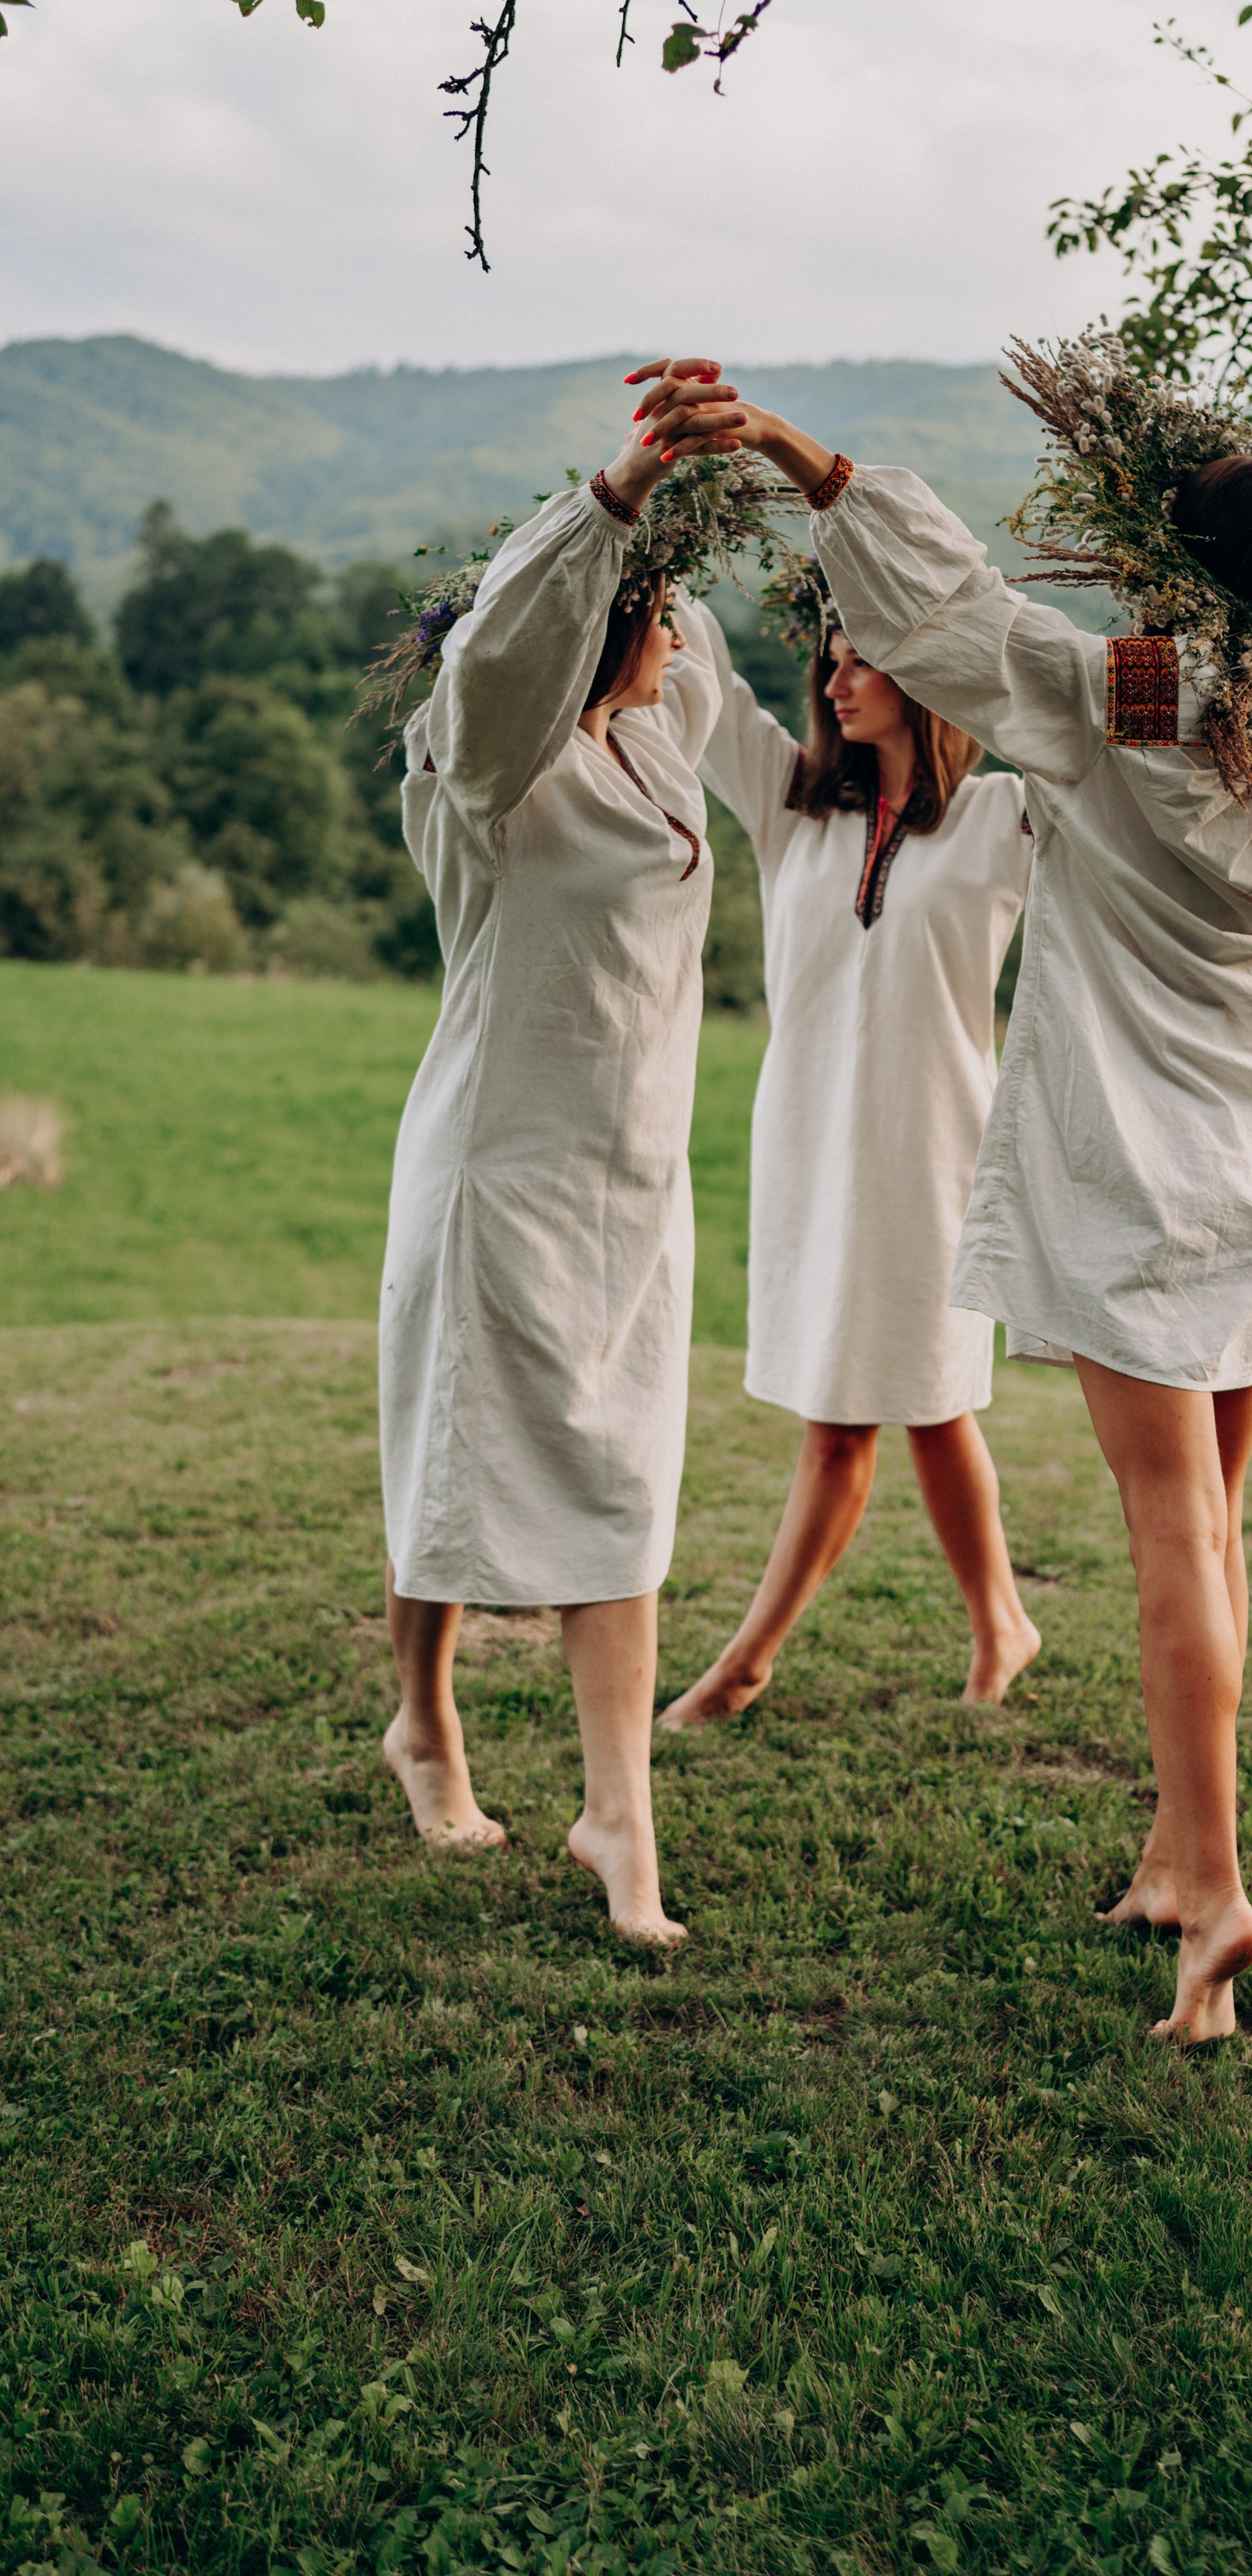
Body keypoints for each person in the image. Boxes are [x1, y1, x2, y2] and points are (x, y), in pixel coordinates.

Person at [632, 345, 1252, 2038]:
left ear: (1163, 575)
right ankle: (1166, 1843)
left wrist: (779, 442)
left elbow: (950, 611)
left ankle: (1212, 1885)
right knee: (1216, 1526)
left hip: (1138, 1178)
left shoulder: (1126, 694)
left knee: (1165, 1537)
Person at [377, 365, 753, 1946]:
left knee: (620, 1477)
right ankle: (424, 1715)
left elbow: (708, 669)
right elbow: (495, 667)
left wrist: (718, 472)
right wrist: (605, 499)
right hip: (499, 1170)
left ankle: (617, 1815)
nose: (673, 634)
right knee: (455, 1469)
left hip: (627, 1179)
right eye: (650, 614)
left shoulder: (658, 745)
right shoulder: (487, 775)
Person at [659, 565, 1039, 1730]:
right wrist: (655, 555)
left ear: (926, 674)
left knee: (861, 1414)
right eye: (829, 653)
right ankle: (1003, 1623)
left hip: (931, 1158)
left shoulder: (999, 817)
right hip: (812, 1147)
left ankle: (745, 1660)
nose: (835, 675)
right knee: (923, 1408)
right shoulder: (795, 808)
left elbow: (1104, 763)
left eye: (862, 654)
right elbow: (710, 690)